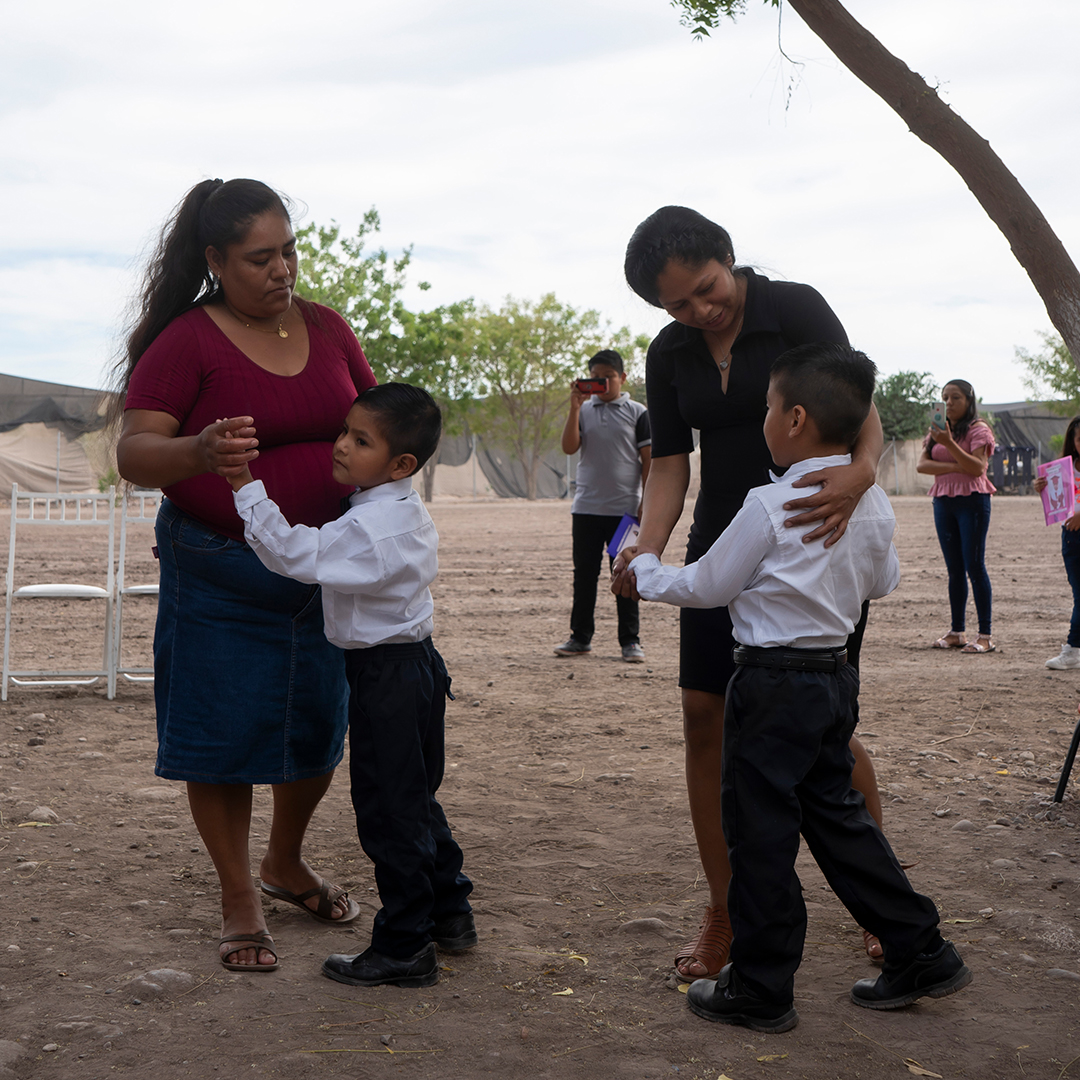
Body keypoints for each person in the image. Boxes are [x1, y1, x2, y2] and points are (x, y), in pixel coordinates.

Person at [630, 343, 971, 1032]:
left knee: (759, 835)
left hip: (769, 685)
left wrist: (642, 568)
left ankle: (760, 986)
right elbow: (885, 581)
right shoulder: (869, 505)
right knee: (839, 821)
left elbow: (707, 585)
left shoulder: (768, 502)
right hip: (832, 680)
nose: (761, 420)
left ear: (793, 419)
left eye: (764, 408)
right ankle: (921, 948)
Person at [610, 206, 889, 978]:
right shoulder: (670, 353)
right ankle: (725, 909)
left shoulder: (794, 308)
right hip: (722, 549)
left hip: (813, 541)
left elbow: (859, 409)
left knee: (819, 731)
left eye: (705, 290)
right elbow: (670, 463)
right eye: (678, 306)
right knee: (707, 717)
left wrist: (862, 475)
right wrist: (646, 547)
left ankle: (882, 907)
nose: (700, 312)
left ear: (727, 257)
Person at [113, 178, 376, 972]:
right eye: (261, 258)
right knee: (221, 739)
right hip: (220, 572)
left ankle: (284, 861)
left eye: (289, 250)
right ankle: (237, 893)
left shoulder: (329, 329)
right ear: (217, 261)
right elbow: (132, 453)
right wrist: (196, 452)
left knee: (317, 731)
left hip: (323, 574)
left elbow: (372, 416)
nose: (282, 270)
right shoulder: (188, 341)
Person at [229, 384, 474, 989]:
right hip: (411, 667)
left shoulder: (371, 529)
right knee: (414, 800)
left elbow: (293, 553)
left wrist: (244, 487)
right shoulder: (390, 510)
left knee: (389, 812)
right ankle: (450, 913)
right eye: (344, 430)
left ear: (401, 465)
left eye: (360, 440)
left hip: (387, 677)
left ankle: (405, 946)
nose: (340, 445)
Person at [555, 349, 652, 663]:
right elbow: (569, 447)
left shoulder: (639, 412)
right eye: (595, 378)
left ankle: (631, 641)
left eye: (608, 377)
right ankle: (580, 638)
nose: (602, 383)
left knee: (627, 574)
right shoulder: (583, 411)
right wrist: (573, 408)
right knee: (584, 575)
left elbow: (648, 462)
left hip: (626, 510)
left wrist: (645, 505)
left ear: (622, 378)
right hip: (585, 509)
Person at [917, 379, 996, 653]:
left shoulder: (978, 429)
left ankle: (985, 635)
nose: (949, 403)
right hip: (943, 501)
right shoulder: (937, 430)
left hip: (972, 501)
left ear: (969, 400)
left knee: (975, 566)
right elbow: (922, 465)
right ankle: (957, 632)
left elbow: (977, 468)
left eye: (955, 398)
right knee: (954, 569)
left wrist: (949, 445)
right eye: (945, 398)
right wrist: (955, 463)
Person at [1035, 416, 1080, 669]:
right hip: (1072, 539)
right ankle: (1073, 651)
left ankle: (1073, 650)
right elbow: (1057, 502)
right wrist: (1040, 487)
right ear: (1073, 442)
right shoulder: (1064, 469)